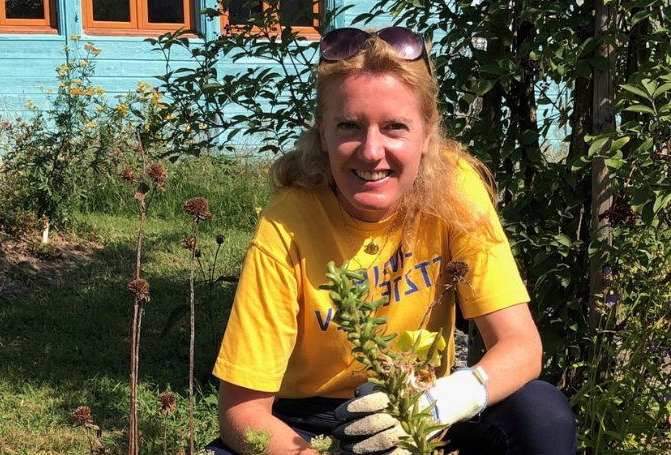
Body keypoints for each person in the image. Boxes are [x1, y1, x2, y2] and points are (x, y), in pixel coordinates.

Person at [204, 26, 577, 455]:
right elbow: (240, 413)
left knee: (540, 412)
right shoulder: (288, 222)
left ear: (427, 134)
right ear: (322, 133)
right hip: (308, 424)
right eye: (349, 126)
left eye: (395, 127)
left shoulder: (455, 189)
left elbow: (522, 346)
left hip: (425, 405)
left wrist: (437, 405)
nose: (371, 151)